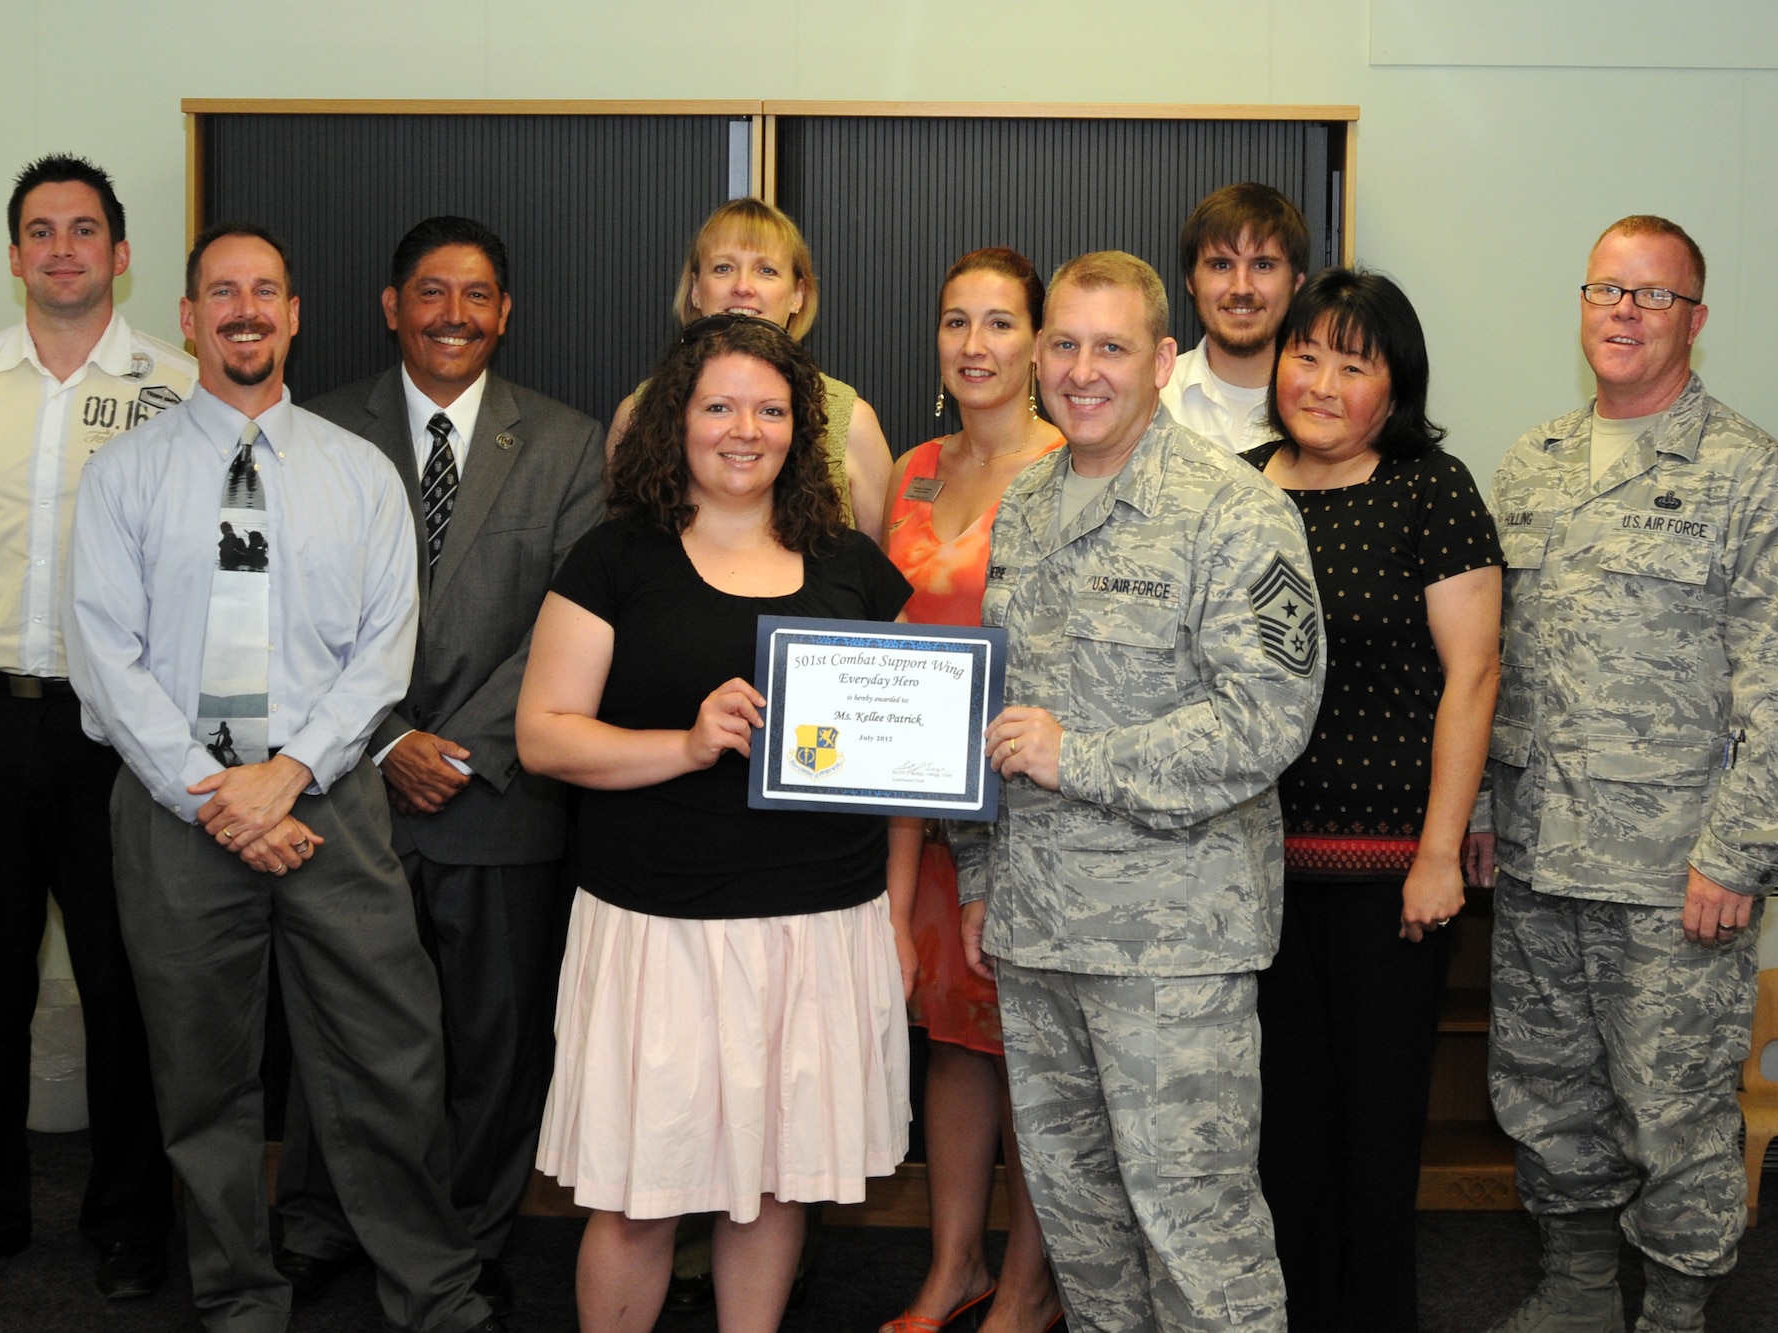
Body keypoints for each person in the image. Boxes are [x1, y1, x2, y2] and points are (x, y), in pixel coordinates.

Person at [66, 222, 501, 1333]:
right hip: (176, 814)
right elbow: (104, 658)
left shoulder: (359, 477)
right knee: (203, 1081)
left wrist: (291, 771)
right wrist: (216, 793)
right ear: (188, 317)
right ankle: (239, 1299)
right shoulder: (124, 476)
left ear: (296, 315)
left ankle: (432, 1290)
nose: (245, 310)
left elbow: (381, 653)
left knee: (393, 1059)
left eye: (265, 290)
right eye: (222, 292)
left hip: (331, 810)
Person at [1480, 216, 1778, 1333]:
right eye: (1606, 289)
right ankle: (1578, 1287)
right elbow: (1498, 670)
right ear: (1581, 306)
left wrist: (1737, 854)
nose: (1624, 312)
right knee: (1546, 1095)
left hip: (1674, 878)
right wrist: (1484, 814)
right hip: (1541, 858)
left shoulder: (1748, 475)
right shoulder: (1527, 468)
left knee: (1673, 1111)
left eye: (1652, 295)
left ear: (1694, 319)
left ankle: (1677, 1309)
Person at [952, 251, 1324, 1333]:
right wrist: (977, 870)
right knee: (1081, 1230)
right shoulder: (1025, 504)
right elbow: (992, 701)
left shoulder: (1231, 513)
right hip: (1036, 929)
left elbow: (1265, 718)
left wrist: (1080, 758)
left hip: (1170, 946)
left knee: (1196, 1233)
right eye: (1061, 345)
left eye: (1108, 347)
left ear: (1161, 361)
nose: (1080, 370)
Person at [518, 313, 912, 1333]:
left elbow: (911, 768)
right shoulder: (614, 559)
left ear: (800, 428)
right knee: (639, 1194)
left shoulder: (854, 570)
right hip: (659, 929)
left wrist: (899, 917)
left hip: (818, 925)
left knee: (776, 1184)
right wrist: (685, 745)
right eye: (720, 406)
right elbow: (545, 738)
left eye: (771, 409)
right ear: (676, 422)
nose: (747, 429)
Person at [269, 216, 605, 1319]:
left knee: (489, 1039)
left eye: (475, 295)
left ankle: (462, 1236)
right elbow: (290, 619)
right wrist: (382, 738)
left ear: (504, 313)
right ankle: (325, 1220)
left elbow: (570, 622)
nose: (451, 314)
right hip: (342, 782)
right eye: (429, 292)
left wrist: (459, 746)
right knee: (339, 1023)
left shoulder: (567, 445)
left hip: (496, 793)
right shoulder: (311, 431)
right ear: (388, 305)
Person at [0, 153, 189, 1301]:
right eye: (39, 230)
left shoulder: (176, 387)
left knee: (123, 985)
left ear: (121, 253)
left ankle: (126, 1223)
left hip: (113, 733)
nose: (61, 248)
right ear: (14, 255)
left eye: (84, 230)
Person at [1241, 268, 1502, 1332]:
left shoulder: (1430, 490)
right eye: (1305, 353)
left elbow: (1473, 676)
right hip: (1251, 872)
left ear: (1392, 388)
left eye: (1352, 362)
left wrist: (1440, 849)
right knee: (1279, 1127)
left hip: (1388, 871)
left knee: (1375, 1128)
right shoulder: (1235, 484)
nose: (1319, 379)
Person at [879, 248, 1065, 1333]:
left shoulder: (1066, 463)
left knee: (1037, 1047)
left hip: (1026, 800)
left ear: (1038, 345)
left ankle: (1032, 1284)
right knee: (950, 1040)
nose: (975, 345)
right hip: (920, 803)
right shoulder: (908, 470)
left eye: (1000, 324)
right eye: (956, 322)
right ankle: (952, 1264)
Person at [606, 196, 893, 537]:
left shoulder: (851, 420)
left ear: (798, 295)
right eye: (723, 268)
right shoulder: (637, 412)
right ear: (696, 290)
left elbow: (885, 568)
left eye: (766, 270)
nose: (743, 287)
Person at [1159, 182, 1308, 453]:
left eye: (1262, 265)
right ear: (1191, 282)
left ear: (1296, 283)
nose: (1241, 287)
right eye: (1221, 265)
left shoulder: (1322, 409)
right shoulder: (1152, 398)